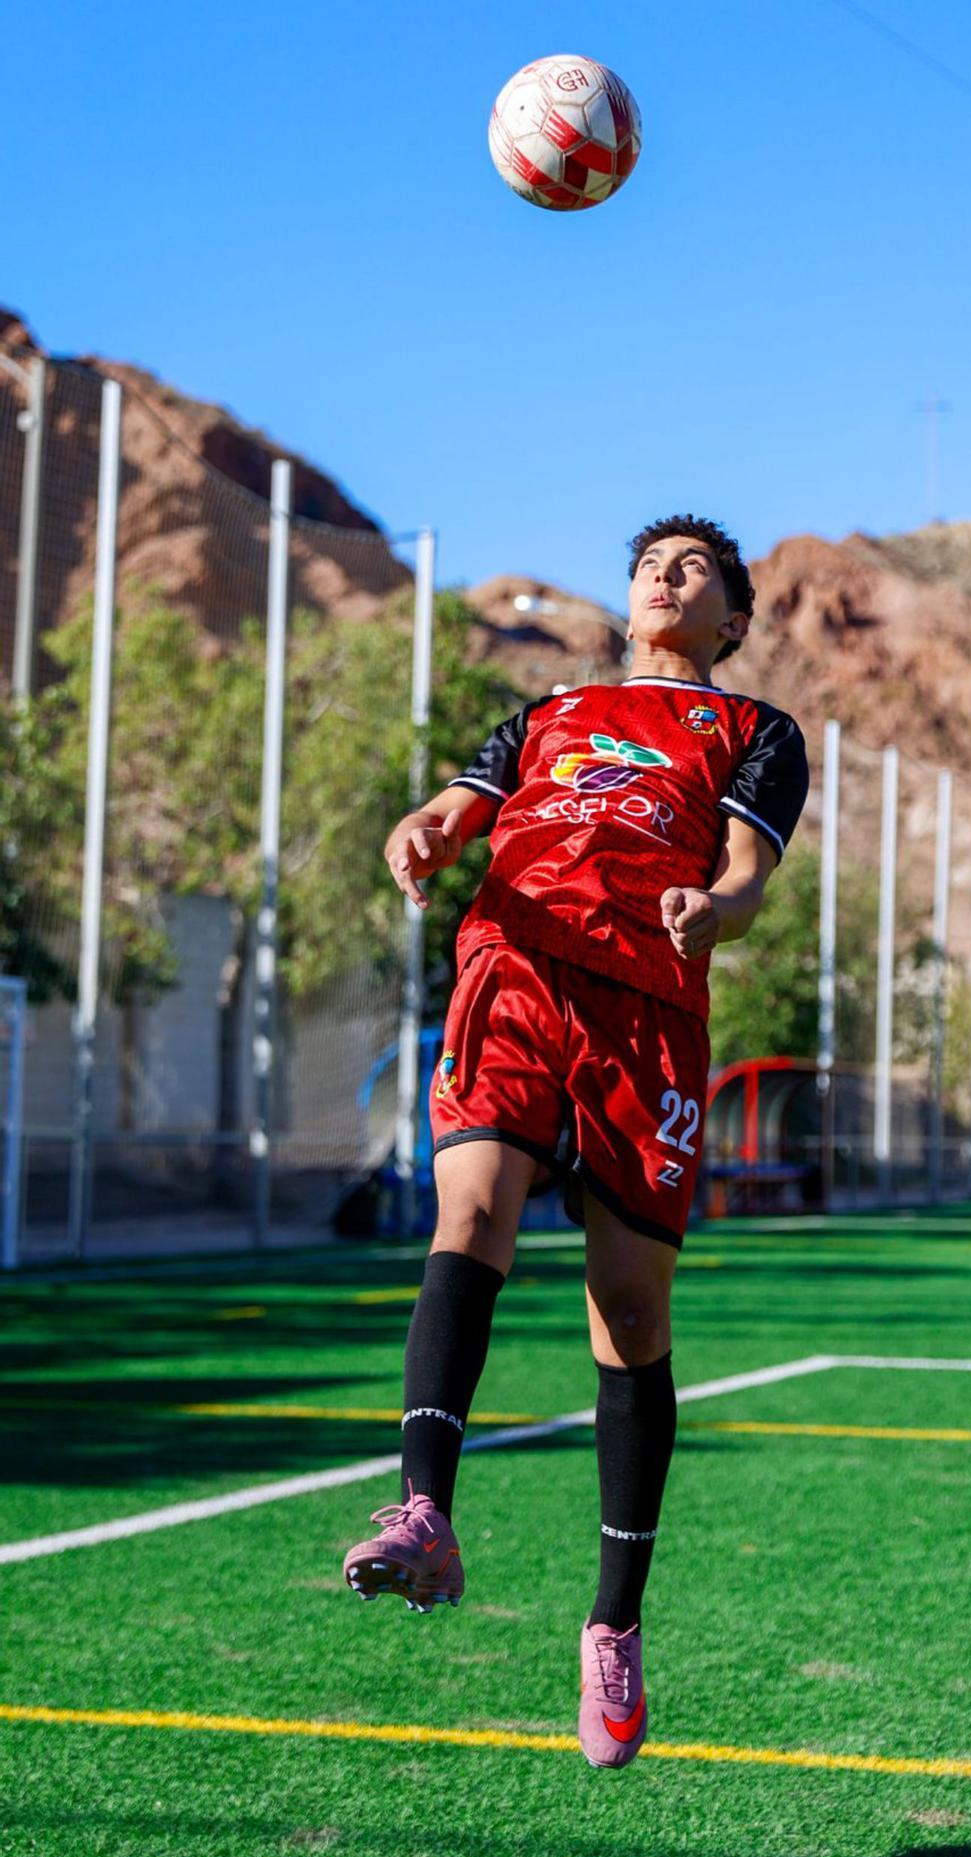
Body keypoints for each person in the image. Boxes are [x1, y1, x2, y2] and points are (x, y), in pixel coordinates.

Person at [343, 515, 809, 1768]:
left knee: (630, 1315)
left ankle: (613, 1625)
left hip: (647, 1007)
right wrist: (429, 829)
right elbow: (459, 803)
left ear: (732, 621)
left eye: (695, 567)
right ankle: (425, 1507)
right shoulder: (549, 709)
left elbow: (750, 876)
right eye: (652, 560)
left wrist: (717, 906)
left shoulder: (756, 731)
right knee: (470, 1213)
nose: (667, 574)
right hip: (515, 962)